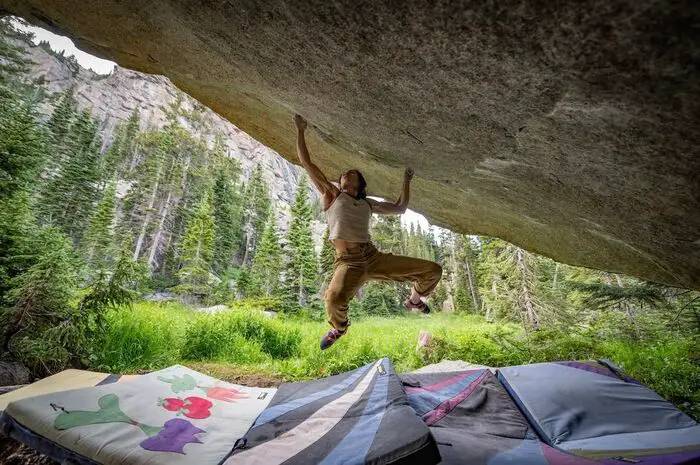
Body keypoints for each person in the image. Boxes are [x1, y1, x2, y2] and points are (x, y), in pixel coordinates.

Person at [293, 114, 443, 350]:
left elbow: (400, 208)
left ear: (360, 184)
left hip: (372, 258)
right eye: (344, 176)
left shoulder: (368, 203)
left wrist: (407, 180)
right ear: (341, 182)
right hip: (348, 262)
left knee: (433, 270)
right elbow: (308, 165)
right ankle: (339, 328)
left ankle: (415, 301)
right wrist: (300, 130)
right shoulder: (332, 194)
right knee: (333, 299)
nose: (347, 175)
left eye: (352, 175)